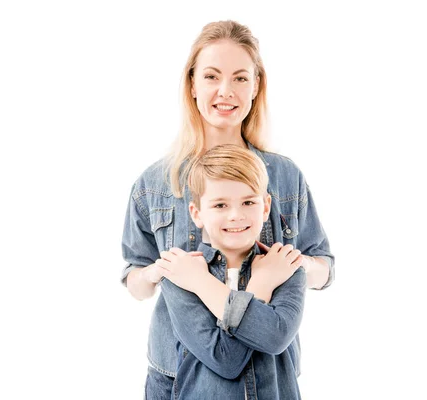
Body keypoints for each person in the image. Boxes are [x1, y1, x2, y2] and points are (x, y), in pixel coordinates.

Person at [121, 20, 334, 399]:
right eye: (211, 76)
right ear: (192, 84)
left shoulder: (285, 176)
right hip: (176, 378)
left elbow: (324, 268)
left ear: (256, 87)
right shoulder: (152, 184)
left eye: (239, 78)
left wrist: (290, 266)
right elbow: (136, 284)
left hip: (270, 375)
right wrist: (163, 270)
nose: (225, 91)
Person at [155, 144, 306, 399]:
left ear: (266, 207)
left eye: (248, 202)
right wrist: (260, 287)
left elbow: (275, 338)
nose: (236, 215)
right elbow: (226, 360)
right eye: (220, 205)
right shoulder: (180, 276)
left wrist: (204, 284)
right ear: (197, 213)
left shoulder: (286, 267)